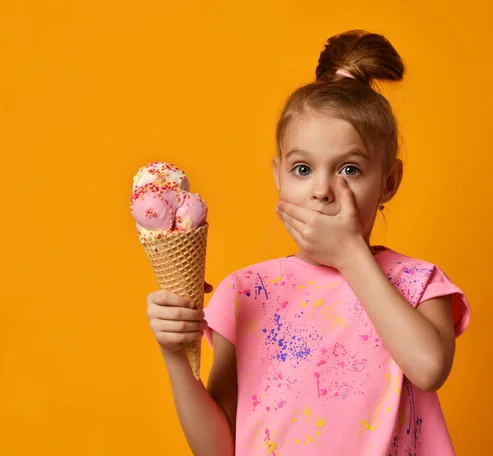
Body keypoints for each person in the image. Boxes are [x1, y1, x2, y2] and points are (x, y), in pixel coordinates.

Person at [146, 30, 470, 456]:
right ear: (278, 175)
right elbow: (216, 449)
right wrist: (174, 355)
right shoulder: (244, 293)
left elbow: (428, 368)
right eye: (302, 169)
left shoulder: (417, 283)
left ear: (389, 182)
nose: (322, 189)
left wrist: (351, 255)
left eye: (349, 169)